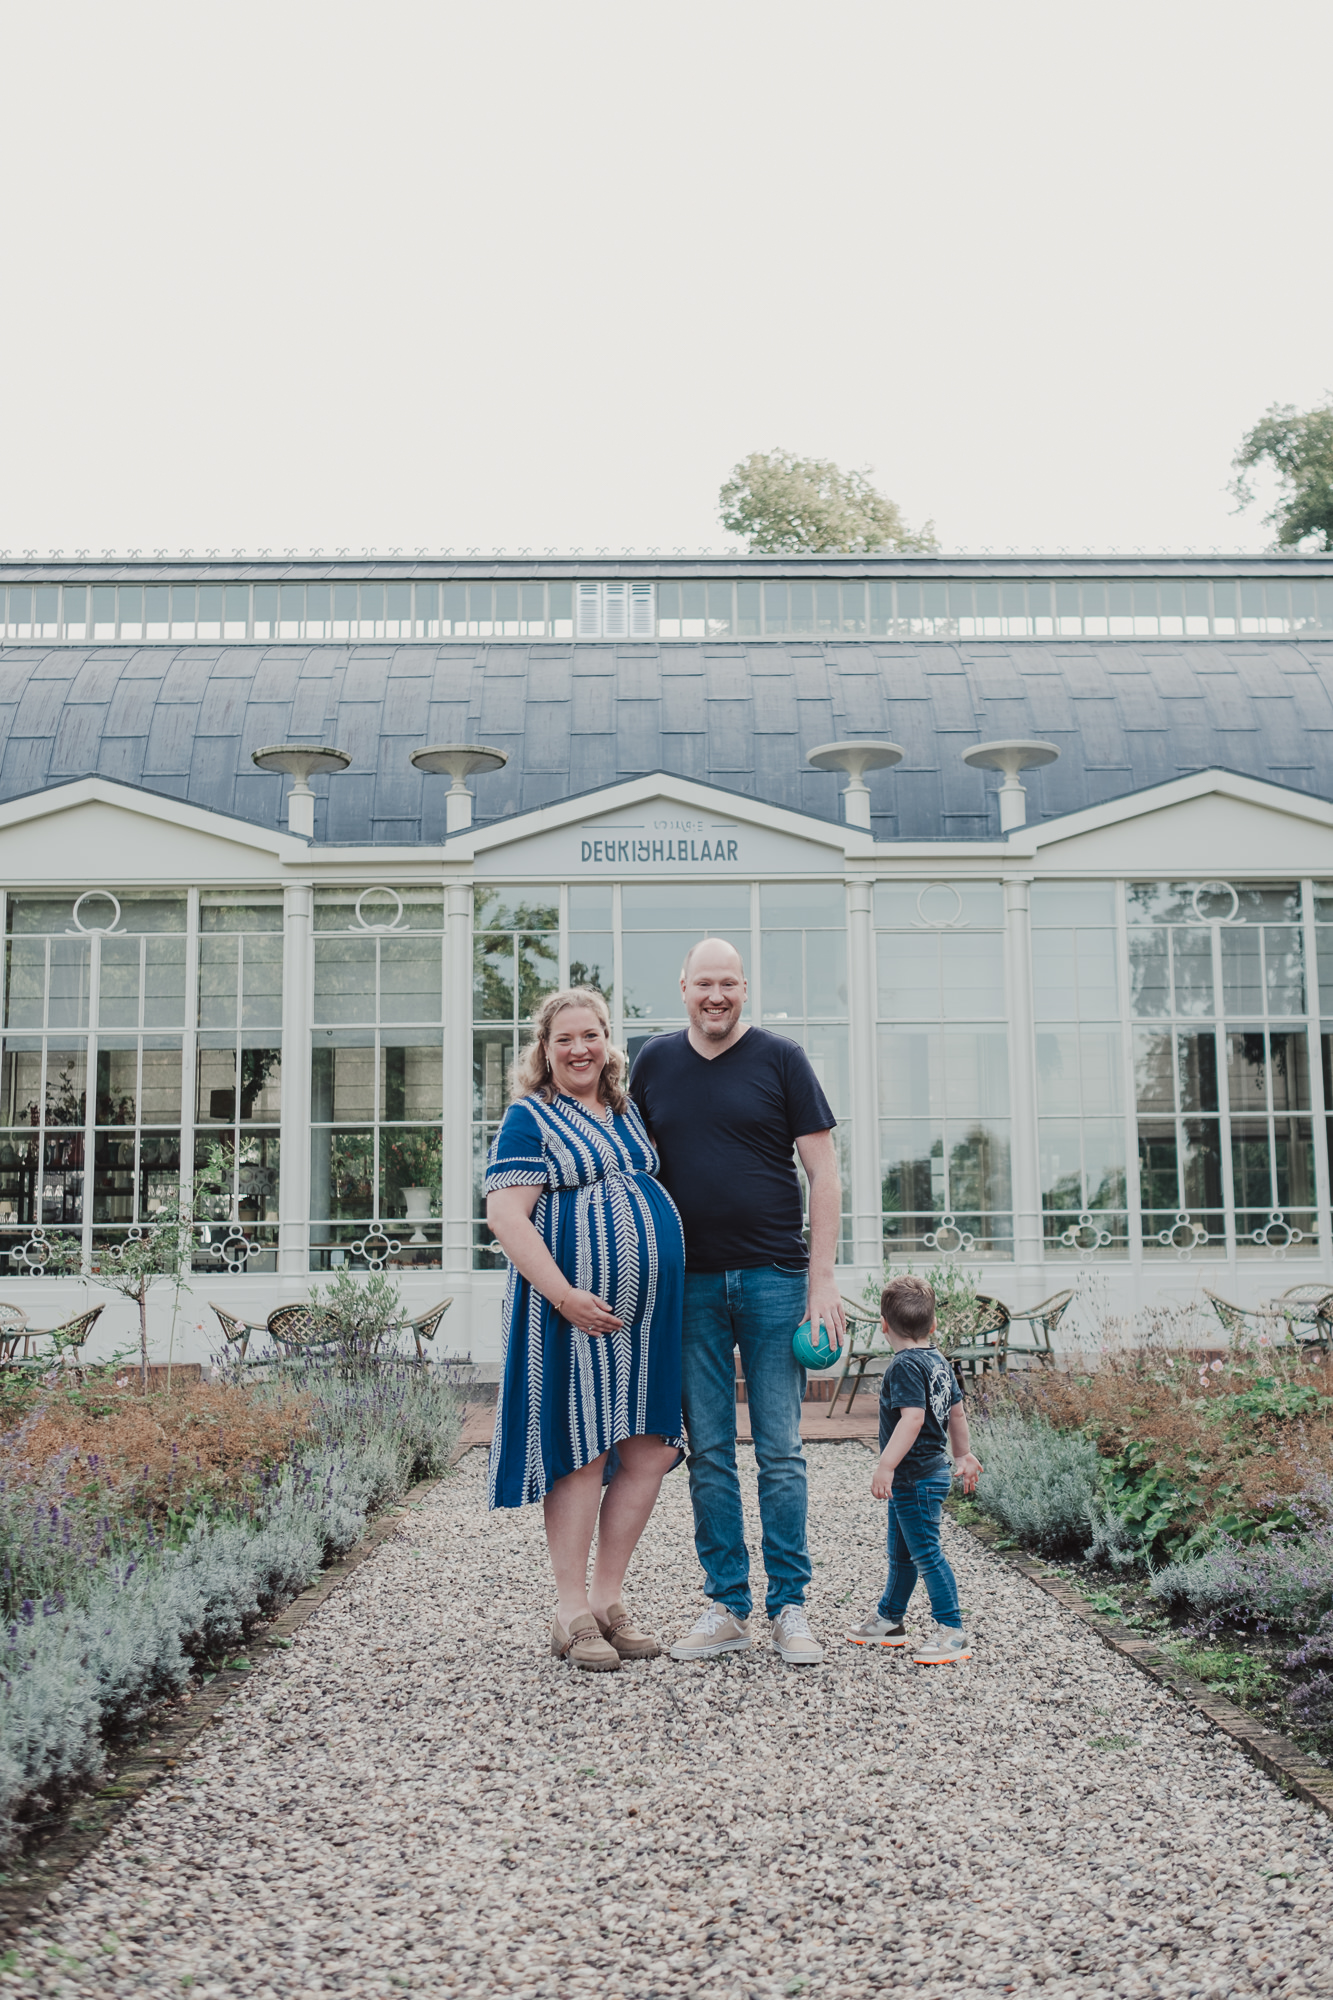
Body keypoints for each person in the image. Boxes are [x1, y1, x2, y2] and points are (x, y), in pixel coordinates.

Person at [629, 937, 844, 1666]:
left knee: (781, 1451)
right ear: (681, 986)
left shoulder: (781, 1058)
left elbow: (823, 1173)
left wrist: (821, 1281)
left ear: (744, 988)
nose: (715, 996)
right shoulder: (652, 1061)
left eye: (728, 984)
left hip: (775, 1279)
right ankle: (726, 1605)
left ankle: (790, 1607)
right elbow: (624, 1167)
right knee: (711, 1453)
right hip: (685, 1284)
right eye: (703, 984)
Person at [485, 987, 685, 1673]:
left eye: (591, 1035)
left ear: (608, 1042)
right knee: (583, 1448)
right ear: (543, 1049)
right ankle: (568, 1610)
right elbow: (507, 1217)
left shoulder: (627, 1113)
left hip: (647, 1317)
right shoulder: (530, 1116)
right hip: (571, 1314)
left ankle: (606, 1601)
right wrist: (565, 1294)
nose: (579, 1049)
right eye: (564, 1038)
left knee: (650, 1448)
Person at [845, 1274, 983, 1666]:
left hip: (915, 1478)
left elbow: (912, 1419)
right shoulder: (938, 1361)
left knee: (926, 1555)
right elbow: (956, 1412)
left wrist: (884, 1465)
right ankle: (889, 1620)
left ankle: (953, 1631)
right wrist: (964, 1455)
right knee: (903, 1554)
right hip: (926, 1474)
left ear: (883, 1325)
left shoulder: (904, 1366)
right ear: (933, 1324)